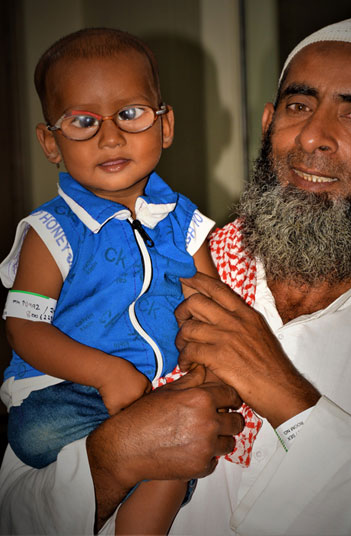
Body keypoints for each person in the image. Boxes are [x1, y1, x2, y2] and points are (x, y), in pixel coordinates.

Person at [0, 16, 351, 536]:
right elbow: (13, 513)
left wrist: (285, 396)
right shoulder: (166, 273)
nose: (312, 136)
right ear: (266, 125)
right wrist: (112, 459)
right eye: (298, 106)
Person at [0, 27, 228, 535]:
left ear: (165, 126)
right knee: (133, 441)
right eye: (82, 121)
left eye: (129, 114)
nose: (110, 136)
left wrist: (202, 372)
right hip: (65, 398)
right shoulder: (52, 232)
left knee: (177, 455)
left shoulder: (185, 222)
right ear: (49, 142)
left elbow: (212, 310)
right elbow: (24, 330)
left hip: (159, 396)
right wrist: (107, 374)